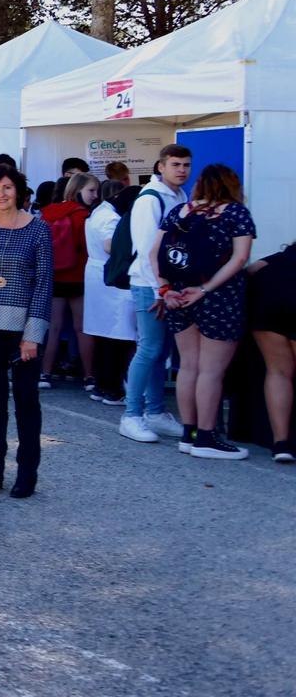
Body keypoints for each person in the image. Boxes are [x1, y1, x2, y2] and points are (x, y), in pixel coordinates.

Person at [0, 163, 55, 497]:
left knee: (27, 402)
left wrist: (33, 334)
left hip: (23, 332)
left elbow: (44, 285)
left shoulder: (38, 230)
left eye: (6, 187)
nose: (0, 194)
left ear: (18, 190)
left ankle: (27, 474)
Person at [155, 163, 255, 460]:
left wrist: (165, 289)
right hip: (217, 298)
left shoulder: (179, 212)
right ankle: (207, 436)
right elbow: (240, 259)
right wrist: (205, 289)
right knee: (212, 370)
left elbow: (154, 253)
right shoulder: (236, 213)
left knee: (188, 366)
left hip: (177, 296)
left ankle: (190, 433)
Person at [122, 144, 193, 443]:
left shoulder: (179, 196)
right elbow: (147, 249)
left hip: (168, 286)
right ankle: (132, 415)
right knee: (149, 348)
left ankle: (153, 412)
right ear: (161, 166)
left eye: (186, 165)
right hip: (149, 285)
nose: (182, 170)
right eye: (176, 164)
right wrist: (159, 289)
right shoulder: (149, 199)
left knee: (160, 352)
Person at [40, 171, 100, 390]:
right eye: (91, 190)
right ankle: (89, 376)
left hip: (54, 277)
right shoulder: (83, 216)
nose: (95, 195)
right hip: (78, 277)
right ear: (78, 190)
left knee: (52, 328)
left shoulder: (47, 213)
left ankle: (45, 373)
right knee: (81, 328)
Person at [84, 183, 138, 413]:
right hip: (112, 279)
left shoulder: (99, 211)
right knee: (119, 336)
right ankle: (113, 388)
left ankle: (101, 385)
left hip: (98, 277)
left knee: (104, 336)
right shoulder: (111, 218)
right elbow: (110, 246)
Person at [245, 240, 296, 462]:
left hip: (267, 297)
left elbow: (252, 269)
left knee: (278, 372)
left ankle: (281, 443)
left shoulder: (282, 255)